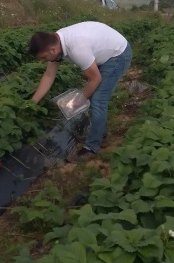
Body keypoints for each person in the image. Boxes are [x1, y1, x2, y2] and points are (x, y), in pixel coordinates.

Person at [28, 21, 132, 163]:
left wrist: (81, 99)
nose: (43, 61)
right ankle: (100, 135)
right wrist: (32, 102)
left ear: (52, 50)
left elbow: (95, 79)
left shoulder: (77, 48)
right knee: (94, 96)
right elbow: (48, 76)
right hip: (106, 49)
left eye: (43, 58)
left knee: (98, 100)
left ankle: (91, 148)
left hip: (118, 54)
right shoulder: (56, 42)